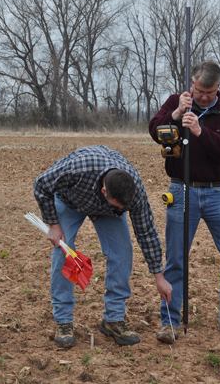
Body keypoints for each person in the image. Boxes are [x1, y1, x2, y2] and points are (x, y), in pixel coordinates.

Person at [148, 61, 220, 343]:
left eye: (210, 92)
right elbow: (156, 131)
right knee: (176, 259)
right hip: (181, 190)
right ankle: (169, 322)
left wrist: (198, 131)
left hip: (217, 192)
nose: (203, 96)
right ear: (192, 83)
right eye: (199, 90)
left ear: (219, 87)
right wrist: (175, 114)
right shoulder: (177, 101)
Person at [33, 145, 172, 348]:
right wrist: (53, 225)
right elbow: (40, 185)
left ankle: (113, 319)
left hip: (107, 211)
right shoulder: (77, 168)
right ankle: (63, 321)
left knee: (123, 250)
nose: (124, 210)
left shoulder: (134, 191)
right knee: (64, 252)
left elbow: (146, 231)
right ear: (104, 190)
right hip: (70, 201)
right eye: (120, 206)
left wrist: (159, 276)